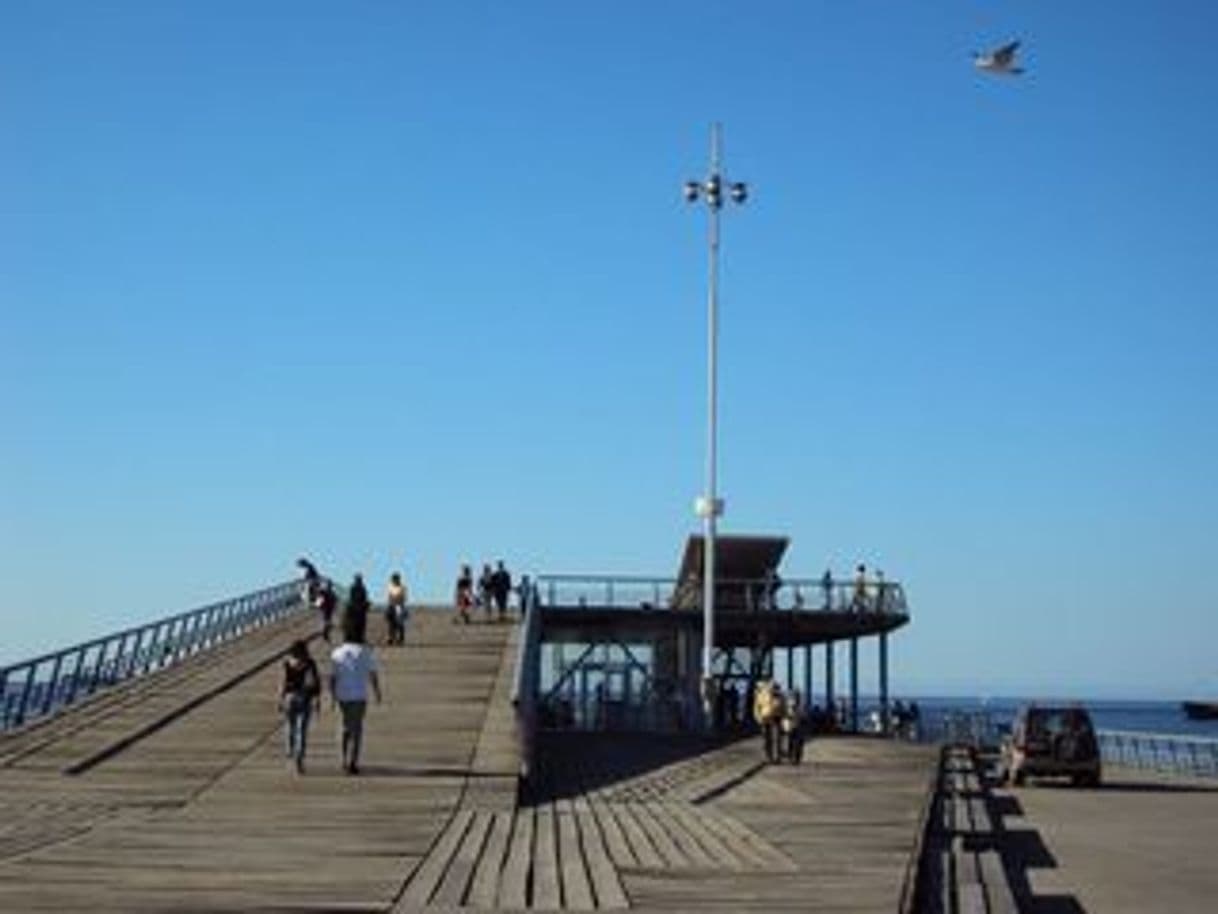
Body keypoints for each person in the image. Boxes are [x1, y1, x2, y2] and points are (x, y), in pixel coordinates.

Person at [329, 618, 382, 775]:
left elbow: (333, 677)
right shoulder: (366, 652)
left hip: (342, 695)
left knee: (343, 728)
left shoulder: (337, 653)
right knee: (356, 729)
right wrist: (377, 692)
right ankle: (353, 761)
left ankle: (343, 759)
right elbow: (373, 674)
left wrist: (332, 696)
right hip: (359, 695)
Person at [279, 640, 321, 774]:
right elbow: (315, 682)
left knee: (289, 727)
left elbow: (283, 683)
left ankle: (290, 753)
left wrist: (280, 699)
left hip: (290, 698)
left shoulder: (286, 663)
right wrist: (317, 699)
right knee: (301, 730)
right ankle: (299, 758)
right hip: (305, 698)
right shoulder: (309, 663)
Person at [753, 679, 785, 763]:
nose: (775, 689)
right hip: (765, 718)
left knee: (777, 738)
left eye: (776, 687)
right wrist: (758, 717)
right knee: (767, 738)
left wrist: (784, 717)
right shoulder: (762, 695)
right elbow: (757, 707)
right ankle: (769, 756)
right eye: (774, 687)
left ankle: (777, 757)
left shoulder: (780, 696)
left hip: (776, 718)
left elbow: (784, 707)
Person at [344, 573, 370, 642]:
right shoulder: (353, 588)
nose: (359, 581)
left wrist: (365, 604)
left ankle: (361, 636)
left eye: (359, 579)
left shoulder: (363, 588)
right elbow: (351, 597)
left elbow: (364, 597)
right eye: (358, 579)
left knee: (362, 623)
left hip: (360, 606)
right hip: (354, 606)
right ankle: (349, 636)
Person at [783, 689, 806, 765]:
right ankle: (795, 758)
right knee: (796, 742)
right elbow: (803, 715)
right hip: (795, 725)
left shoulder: (789, 703)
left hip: (792, 725)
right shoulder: (799, 704)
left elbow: (786, 714)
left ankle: (793, 757)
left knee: (793, 742)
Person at [385, 572, 407, 646]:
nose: (394, 581)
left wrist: (397, 601)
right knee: (391, 623)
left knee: (399, 623)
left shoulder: (402, 587)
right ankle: (391, 638)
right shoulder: (390, 586)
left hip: (399, 605)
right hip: (391, 605)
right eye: (393, 579)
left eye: (395, 579)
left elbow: (403, 598)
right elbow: (389, 596)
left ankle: (400, 639)